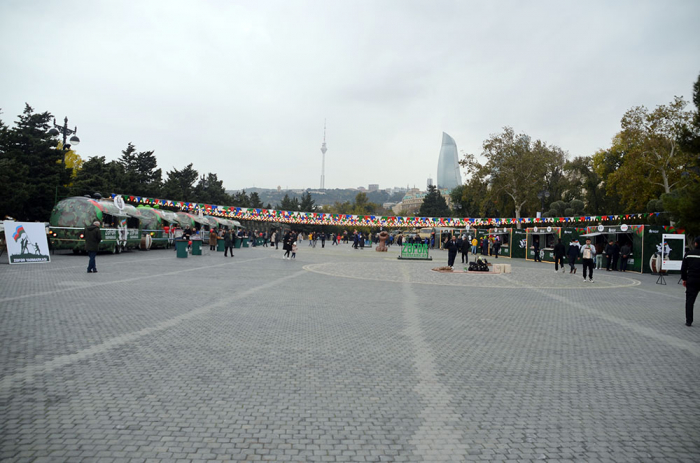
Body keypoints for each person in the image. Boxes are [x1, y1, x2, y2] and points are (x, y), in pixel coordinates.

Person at [680, 237, 700, 326]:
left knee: (689, 301)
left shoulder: (688, 254)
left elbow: (683, 268)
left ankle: (689, 321)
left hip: (691, 280)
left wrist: (684, 279)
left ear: (695, 243)